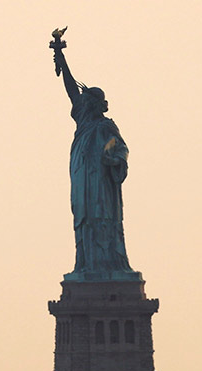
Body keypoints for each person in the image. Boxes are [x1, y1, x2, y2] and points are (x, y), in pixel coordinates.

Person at [51, 31, 132, 277]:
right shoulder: (83, 121)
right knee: (83, 217)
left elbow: (121, 149)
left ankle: (108, 265)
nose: (82, 103)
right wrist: (60, 56)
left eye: (87, 101)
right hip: (82, 177)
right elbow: (70, 89)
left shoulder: (106, 127)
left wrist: (113, 159)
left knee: (101, 217)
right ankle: (85, 264)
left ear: (96, 104)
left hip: (101, 184)